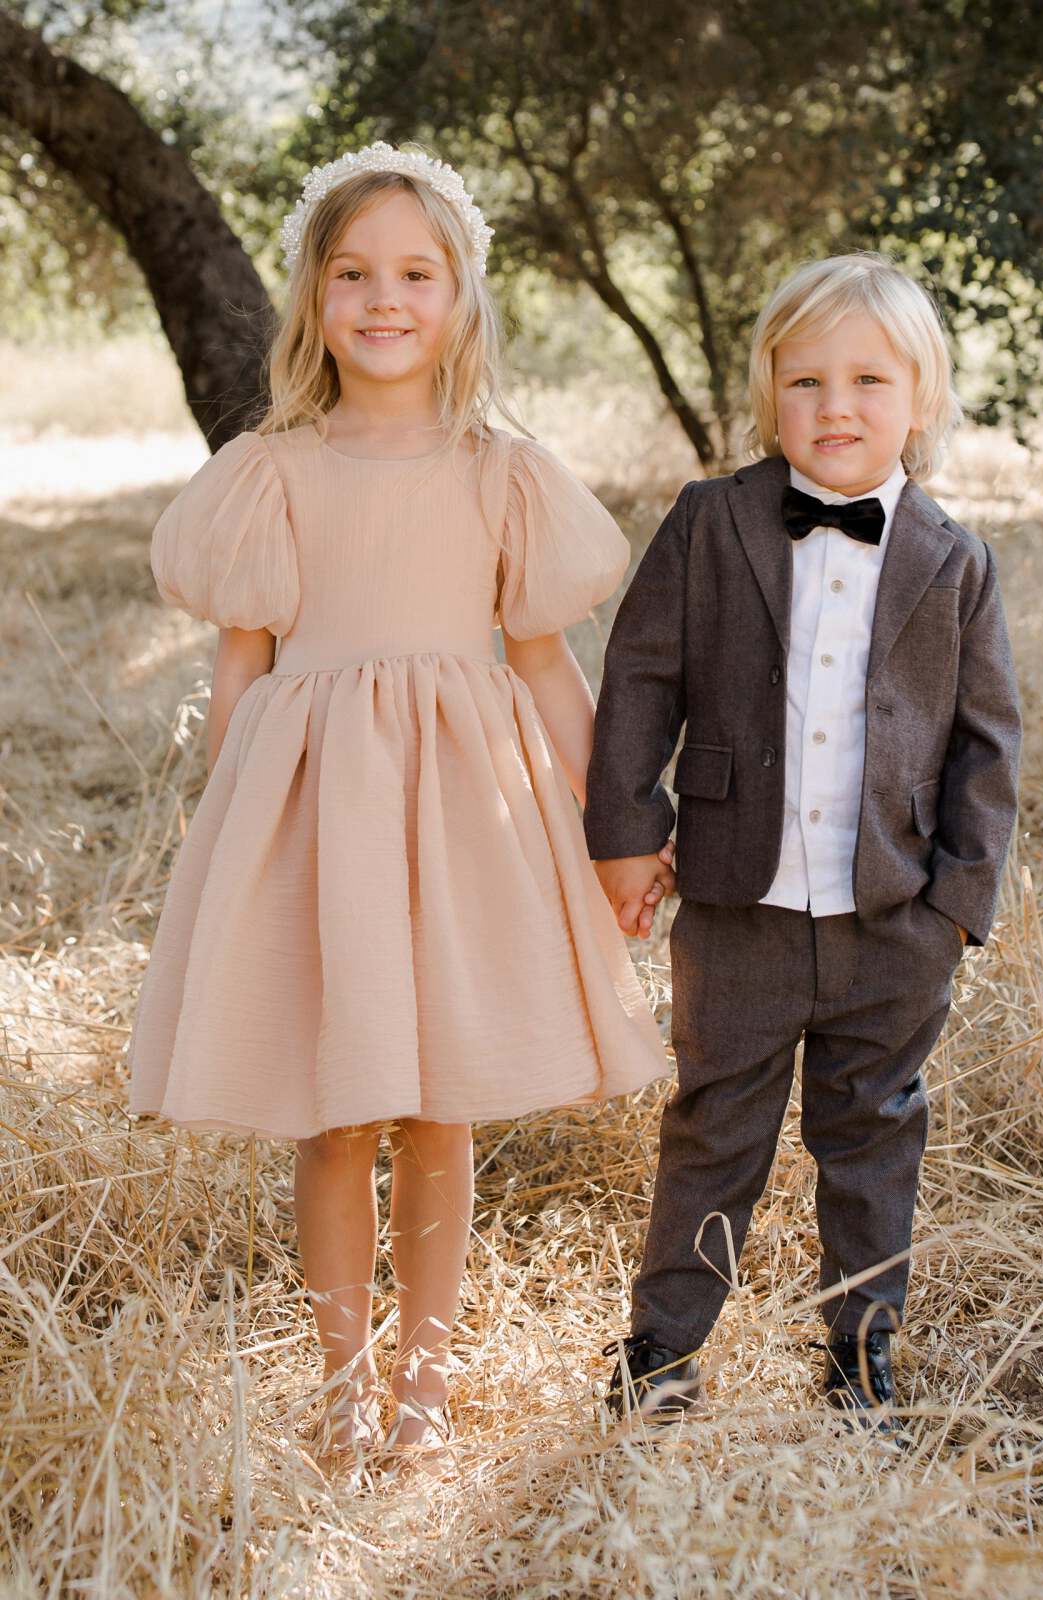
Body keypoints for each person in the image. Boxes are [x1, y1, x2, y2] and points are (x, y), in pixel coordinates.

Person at [126, 143, 673, 1471]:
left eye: (416, 274)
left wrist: (618, 833)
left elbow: (542, 663)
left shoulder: (502, 471)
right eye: (354, 273)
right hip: (320, 819)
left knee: (440, 1111)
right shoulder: (273, 470)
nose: (386, 300)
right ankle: (343, 1384)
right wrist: (231, 854)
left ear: (461, 299)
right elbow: (245, 665)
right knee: (337, 1108)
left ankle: (426, 1382)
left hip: (460, 828)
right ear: (313, 296)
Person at [586, 252, 1022, 1428]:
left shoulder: (955, 560)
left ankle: (860, 1349)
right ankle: (664, 1345)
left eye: (870, 381)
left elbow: (988, 744)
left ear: (920, 401)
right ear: (767, 392)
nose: (837, 407)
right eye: (808, 381)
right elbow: (639, 679)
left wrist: (957, 906)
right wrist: (628, 833)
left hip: (894, 914)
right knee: (713, 1123)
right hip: (737, 905)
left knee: (874, 1132)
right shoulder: (711, 522)